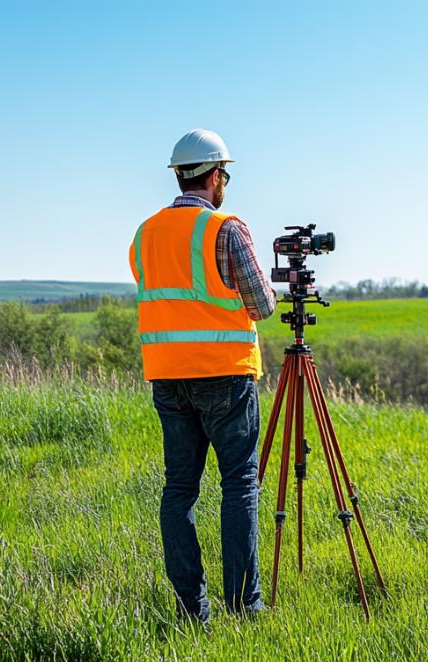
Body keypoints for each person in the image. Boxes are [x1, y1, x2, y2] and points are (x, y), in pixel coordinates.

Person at [128, 128, 277, 623]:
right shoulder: (227, 228)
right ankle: (244, 608)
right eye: (225, 175)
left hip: (168, 379)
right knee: (238, 485)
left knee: (179, 490)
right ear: (215, 176)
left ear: (178, 175)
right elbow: (259, 305)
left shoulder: (145, 234)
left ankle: (193, 611)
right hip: (225, 377)